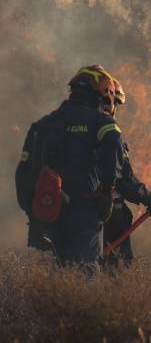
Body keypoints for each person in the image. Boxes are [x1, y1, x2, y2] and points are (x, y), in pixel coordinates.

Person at [15, 65, 124, 269]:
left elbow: (23, 173)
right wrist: (107, 191)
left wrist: (33, 209)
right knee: (85, 274)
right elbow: (114, 144)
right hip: (84, 212)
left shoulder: (43, 125)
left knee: (52, 277)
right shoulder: (101, 122)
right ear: (104, 92)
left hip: (46, 212)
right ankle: (77, 301)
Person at [102, 79, 151, 266]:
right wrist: (150, 200)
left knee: (76, 266)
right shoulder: (107, 133)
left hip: (71, 213)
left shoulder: (64, 129)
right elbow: (123, 178)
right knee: (116, 269)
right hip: (108, 213)